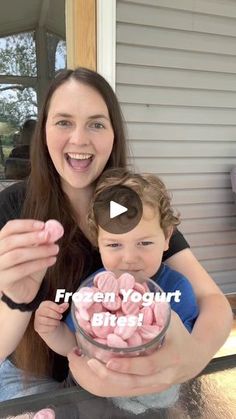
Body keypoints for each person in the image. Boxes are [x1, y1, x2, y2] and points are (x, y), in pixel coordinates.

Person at [0, 67, 232, 401]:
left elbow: (213, 303)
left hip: (124, 378)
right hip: (32, 380)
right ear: (44, 132)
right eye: (64, 121)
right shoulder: (13, 209)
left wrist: (189, 360)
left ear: (113, 135)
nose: (79, 139)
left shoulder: (136, 201)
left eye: (96, 123)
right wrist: (16, 302)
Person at [34, 169, 199, 412]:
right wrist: (50, 330)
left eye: (144, 243)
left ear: (166, 238)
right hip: (91, 392)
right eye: (114, 245)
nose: (129, 259)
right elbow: (74, 345)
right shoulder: (94, 289)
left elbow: (183, 353)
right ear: (98, 244)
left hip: (148, 394)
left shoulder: (177, 288)